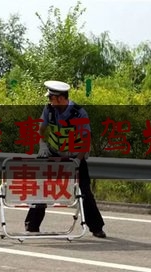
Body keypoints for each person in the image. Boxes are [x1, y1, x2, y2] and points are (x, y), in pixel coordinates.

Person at [24, 80, 106, 238]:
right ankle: (32, 225)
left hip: (75, 157)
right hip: (54, 155)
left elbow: (86, 139)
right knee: (42, 188)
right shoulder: (49, 110)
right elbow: (40, 130)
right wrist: (43, 146)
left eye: (51, 98)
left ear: (61, 99)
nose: (49, 101)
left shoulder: (79, 113)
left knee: (84, 192)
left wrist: (78, 160)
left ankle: (96, 227)